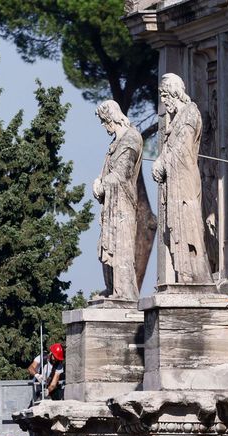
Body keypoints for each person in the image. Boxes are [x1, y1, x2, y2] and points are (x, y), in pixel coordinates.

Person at [152, 73, 213, 283]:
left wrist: (162, 161)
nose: (163, 101)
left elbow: (183, 148)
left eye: (165, 95)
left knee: (188, 225)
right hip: (175, 183)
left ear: (174, 92)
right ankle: (183, 274)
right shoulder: (177, 119)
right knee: (174, 228)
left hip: (185, 182)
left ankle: (195, 274)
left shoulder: (189, 114)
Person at [93, 100, 143, 300]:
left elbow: (122, 174)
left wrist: (102, 185)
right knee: (107, 244)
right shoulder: (115, 142)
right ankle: (111, 286)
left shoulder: (131, 139)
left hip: (122, 204)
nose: (105, 127)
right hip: (110, 204)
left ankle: (123, 291)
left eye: (105, 122)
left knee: (120, 246)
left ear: (112, 117)